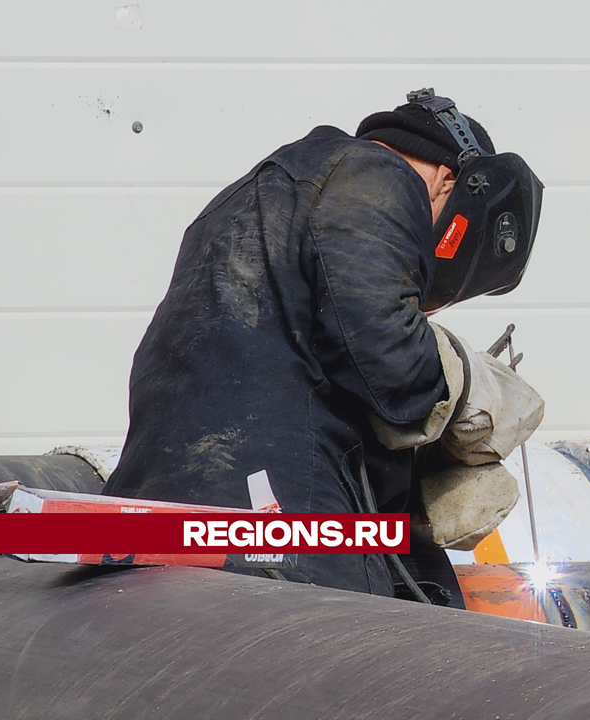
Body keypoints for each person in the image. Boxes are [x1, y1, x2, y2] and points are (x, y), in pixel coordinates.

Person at [103, 89, 544, 600]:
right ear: (449, 181)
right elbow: (387, 356)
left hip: (146, 518)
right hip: (274, 528)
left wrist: (413, 489)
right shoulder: (374, 174)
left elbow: (300, 374)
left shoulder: (256, 199)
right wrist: (469, 391)